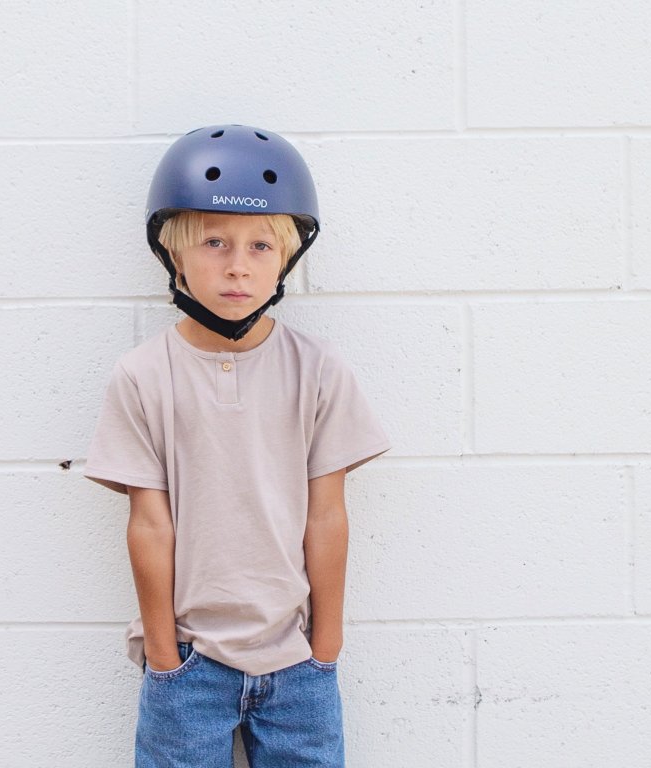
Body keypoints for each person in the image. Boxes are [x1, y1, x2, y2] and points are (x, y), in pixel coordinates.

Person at [83, 124, 391, 768]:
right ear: (174, 254)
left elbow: (327, 515)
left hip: (297, 662)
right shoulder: (142, 375)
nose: (237, 265)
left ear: (285, 259)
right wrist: (164, 658)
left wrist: (326, 649)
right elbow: (150, 524)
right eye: (214, 242)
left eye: (260, 245)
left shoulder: (318, 369)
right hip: (188, 664)